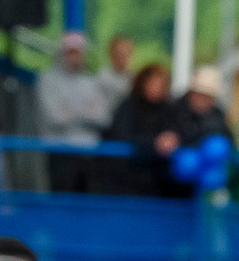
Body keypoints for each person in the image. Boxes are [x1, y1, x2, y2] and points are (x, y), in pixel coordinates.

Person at [37, 31, 108, 195]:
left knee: (86, 208)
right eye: (70, 53)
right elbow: (55, 117)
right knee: (62, 206)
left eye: (78, 53)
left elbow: (104, 118)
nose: (74, 58)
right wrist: (87, 110)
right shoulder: (47, 80)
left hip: (88, 155)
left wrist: (70, 109)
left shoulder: (92, 82)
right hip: (60, 154)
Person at [107, 63, 179, 197]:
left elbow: (176, 134)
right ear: (143, 82)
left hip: (159, 184)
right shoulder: (128, 106)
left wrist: (171, 140)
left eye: (160, 84)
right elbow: (120, 135)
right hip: (127, 181)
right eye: (153, 83)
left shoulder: (170, 109)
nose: (156, 88)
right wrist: (153, 144)